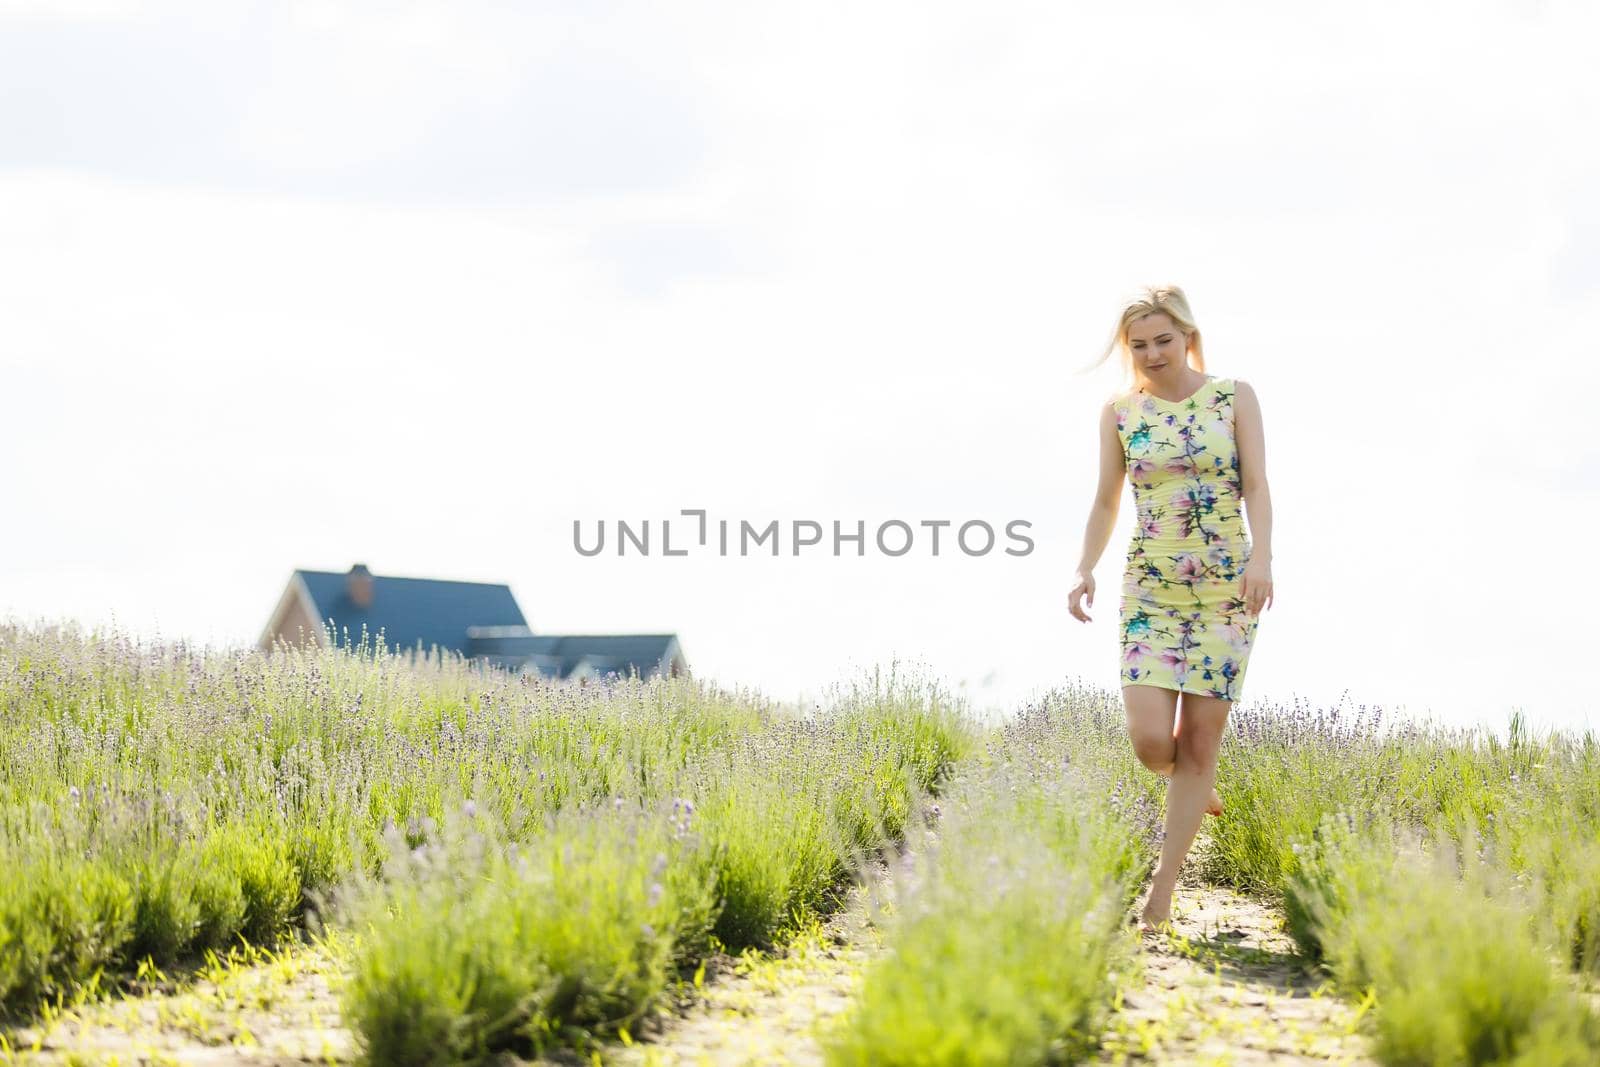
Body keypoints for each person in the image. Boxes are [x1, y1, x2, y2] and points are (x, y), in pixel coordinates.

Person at [1067, 284, 1274, 933]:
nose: (1152, 353)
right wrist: (1084, 567)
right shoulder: (1121, 413)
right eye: (1139, 345)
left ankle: (1162, 890)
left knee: (1203, 739)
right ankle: (1192, 780)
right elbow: (1106, 500)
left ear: (1187, 335)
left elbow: (1258, 484)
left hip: (1226, 592)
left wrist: (1262, 559)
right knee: (1152, 738)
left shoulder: (1233, 396)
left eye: (1162, 339)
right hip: (1150, 589)